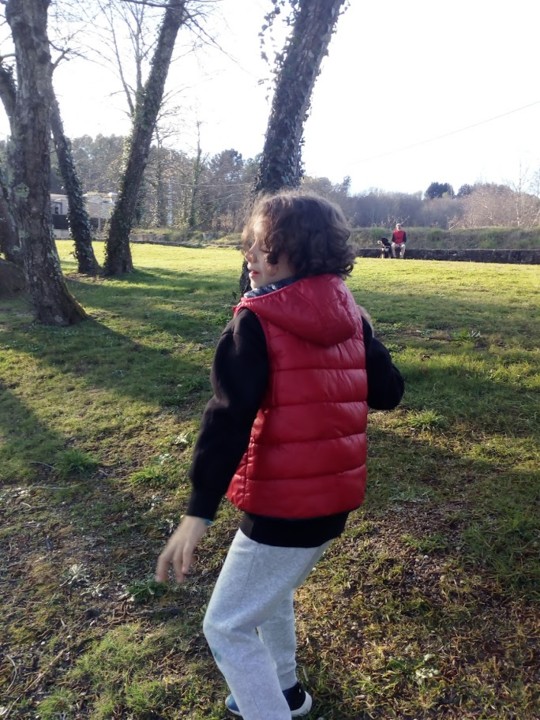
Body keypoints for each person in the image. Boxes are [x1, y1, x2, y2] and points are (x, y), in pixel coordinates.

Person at [155, 191, 405, 720]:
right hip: (330, 504)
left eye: (262, 244)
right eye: (249, 243)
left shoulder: (255, 322)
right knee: (272, 592)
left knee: (225, 625)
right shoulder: (347, 310)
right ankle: (286, 691)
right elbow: (389, 392)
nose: (249, 254)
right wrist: (366, 331)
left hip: (282, 509)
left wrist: (197, 512)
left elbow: (227, 420)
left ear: (297, 250)